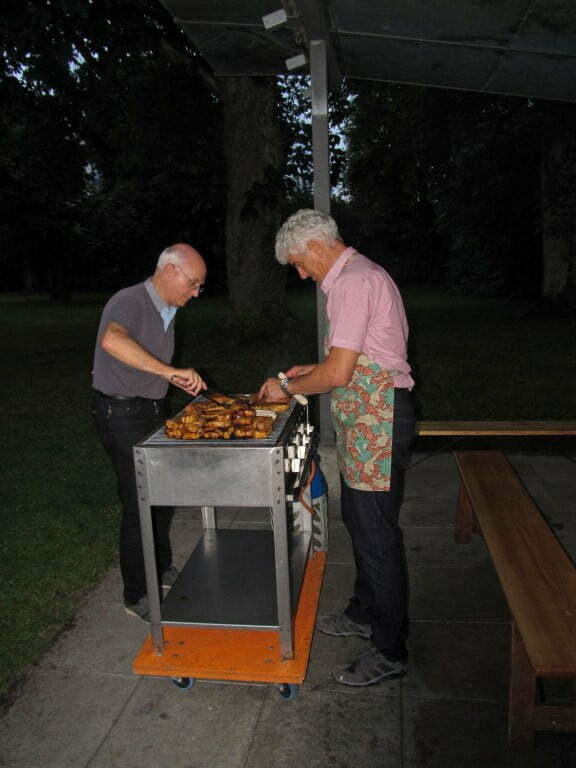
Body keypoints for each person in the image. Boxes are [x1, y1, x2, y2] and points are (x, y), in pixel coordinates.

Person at [259, 209, 415, 687]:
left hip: (379, 420)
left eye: (298, 263)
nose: (302, 274)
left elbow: (340, 372)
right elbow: (353, 358)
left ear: (313, 246)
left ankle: (389, 649)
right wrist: (305, 372)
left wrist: (287, 387)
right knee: (360, 520)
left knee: (375, 534)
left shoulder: (352, 283)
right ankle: (364, 612)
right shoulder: (360, 275)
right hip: (368, 420)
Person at [91, 243, 207, 621]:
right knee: (139, 499)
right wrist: (169, 372)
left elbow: (148, 362)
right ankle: (137, 593)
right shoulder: (129, 301)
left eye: (199, 286)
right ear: (170, 271)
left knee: (163, 493)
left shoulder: (168, 309)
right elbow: (113, 340)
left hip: (151, 408)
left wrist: (172, 380)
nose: (196, 293)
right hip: (120, 413)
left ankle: (159, 566)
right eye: (193, 283)